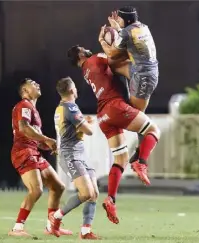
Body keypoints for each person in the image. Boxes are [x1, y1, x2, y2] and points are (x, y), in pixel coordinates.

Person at [67, 45, 160, 224]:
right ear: (80, 53)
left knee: (120, 160)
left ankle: (111, 199)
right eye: (82, 48)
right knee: (153, 130)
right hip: (115, 106)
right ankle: (141, 162)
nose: (86, 49)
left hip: (103, 116)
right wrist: (123, 44)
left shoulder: (86, 71)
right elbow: (116, 57)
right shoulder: (95, 59)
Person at [9, 78, 72, 237]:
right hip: (23, 152)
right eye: (32, 83)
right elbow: (24, 128)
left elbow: (32, 136)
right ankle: (17, 228)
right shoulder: (24, 105)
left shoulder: (32, 108)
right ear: (25, 91)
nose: (37, 84)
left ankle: (51, 227)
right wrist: (46, 139)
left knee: (58, 187)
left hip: (33, 151)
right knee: (36, 190)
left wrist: (46, 145)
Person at [98, 5, 159, 168]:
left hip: (143, 76)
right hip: (140, 69)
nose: (117, 21)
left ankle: (142, 158)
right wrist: (118, 28)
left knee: (137, 115)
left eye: (120, 19)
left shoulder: (125, 32)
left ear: (125, 20)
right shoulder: (141, 27)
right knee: (112, 65)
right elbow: (126, 48)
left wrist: (103, 40)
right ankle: (119, 97)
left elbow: (113, 53)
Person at [48, 77, 101, 239]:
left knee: (94, 193)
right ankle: (56, 217)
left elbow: (73, 126)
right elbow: (89, 131)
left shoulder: (60, 108)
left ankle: (85, 231)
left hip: (79, 153)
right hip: (71, 155)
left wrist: (84, 122)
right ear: (71, 90)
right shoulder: (71, 107)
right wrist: (89, 124)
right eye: (75, 87)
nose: (77, 90)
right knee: (86, 193)